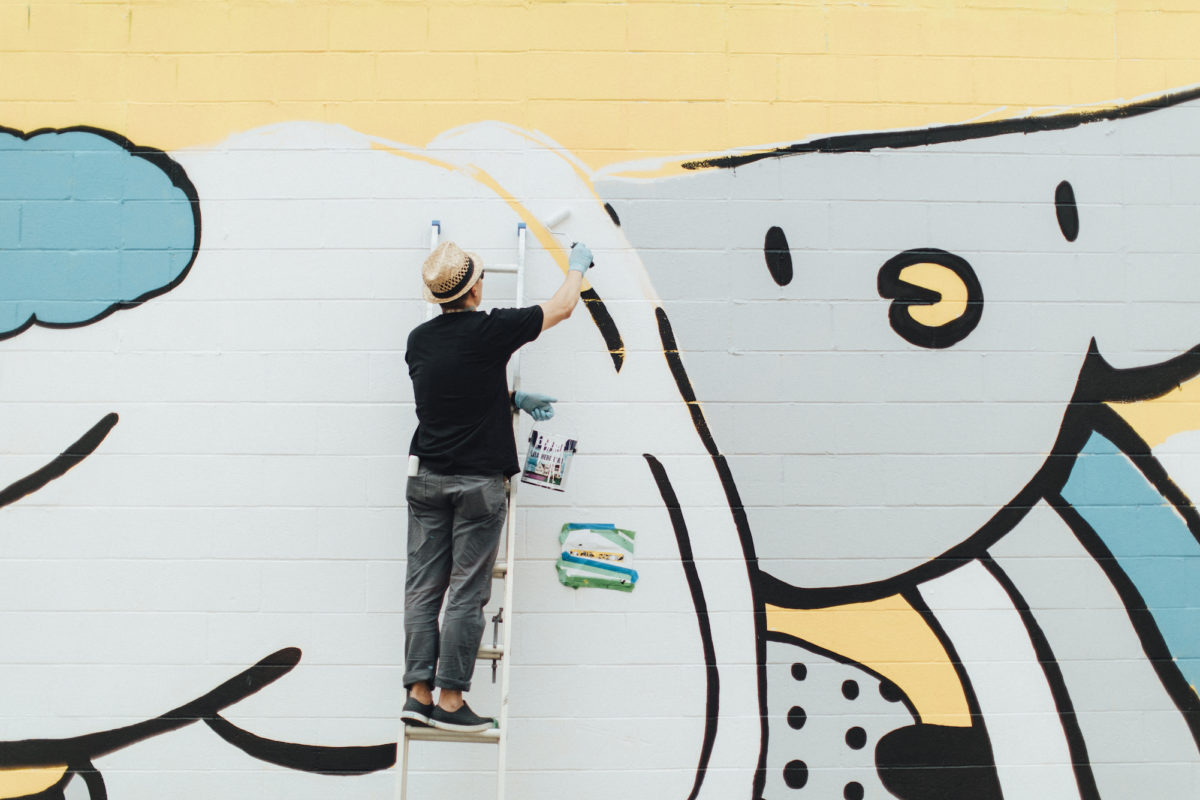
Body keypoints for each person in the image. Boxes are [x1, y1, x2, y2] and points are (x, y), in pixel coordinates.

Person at [400, 239, 593, 732]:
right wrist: (576, 267)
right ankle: (448, 702)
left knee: (423, 590)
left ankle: (417, 694)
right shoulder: (491, 331)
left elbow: (456, 389)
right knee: (466, 593)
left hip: (425, 480)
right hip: (477, 486)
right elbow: (563, 307)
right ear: (476, 287)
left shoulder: (418, 342)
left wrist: (511, 398)